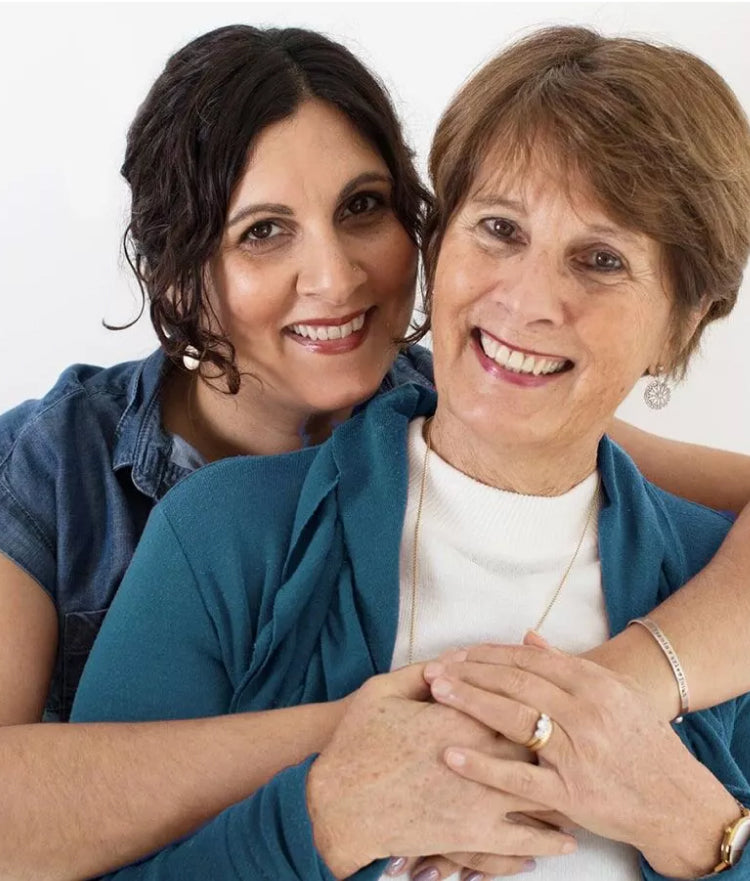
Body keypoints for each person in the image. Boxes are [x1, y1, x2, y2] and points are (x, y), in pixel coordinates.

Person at [1, 21, 750, 881]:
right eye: (262, 231)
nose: (334, 277)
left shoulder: (684, 566)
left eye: (362, 208)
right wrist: (375, 761)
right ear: (178, 276)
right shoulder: (93, 481)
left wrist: (698, 818)